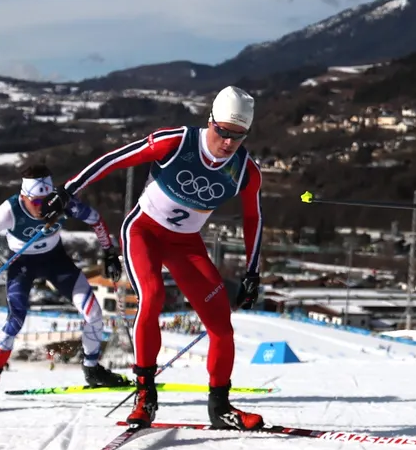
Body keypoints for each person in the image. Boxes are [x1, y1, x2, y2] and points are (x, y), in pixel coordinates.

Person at [42, 86, 265, 430]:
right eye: (222, 131)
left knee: (221, 324)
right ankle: (145, 396)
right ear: (210, 122)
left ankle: (220, 406)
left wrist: (252, 272)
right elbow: (116, 159)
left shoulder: (245, 171)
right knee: (153, 296)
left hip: (185, 244)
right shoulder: (176, 142)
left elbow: (253, 218)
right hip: (143, 232)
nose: (228, 142)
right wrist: (68, 189)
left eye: (238, 135)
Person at [0, 164, 125, 408]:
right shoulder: (9, 210)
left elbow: (96, 219)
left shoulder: (61, 202)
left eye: (47, 200)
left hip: (56, 261)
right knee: (15, 319)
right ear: (24, 197)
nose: (44, 207)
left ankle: (92, 370)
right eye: (37, 202)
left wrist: (109, 252)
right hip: (22, 265)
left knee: (94, 314)